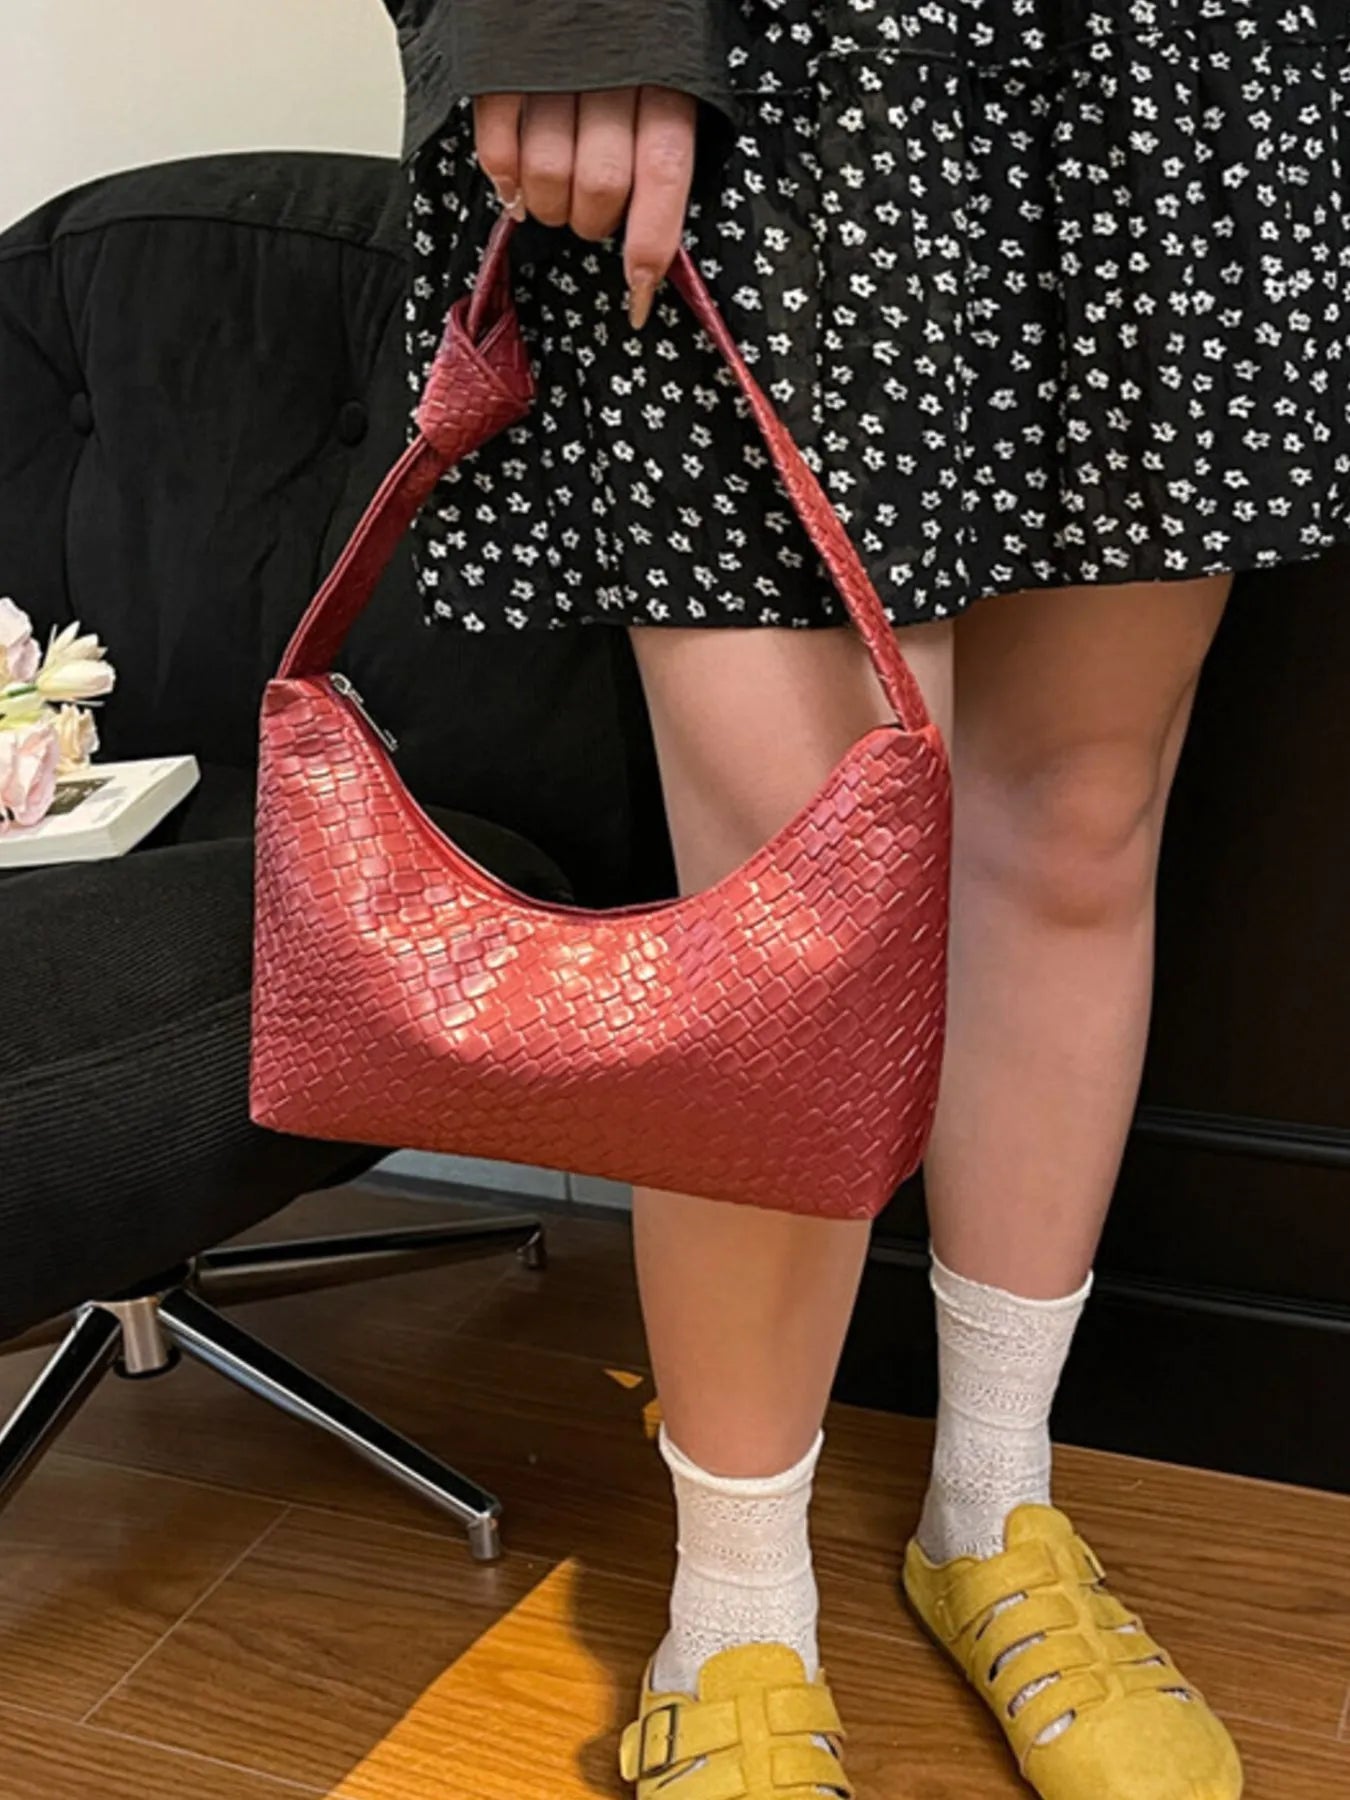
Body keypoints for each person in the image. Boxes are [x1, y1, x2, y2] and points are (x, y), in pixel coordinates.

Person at [383, 4, 1349, 1796]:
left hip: (1166, 68)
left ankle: (992, 1508)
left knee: (1075, 821)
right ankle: (734, 1604)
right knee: (778, 906)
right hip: (801, 62)